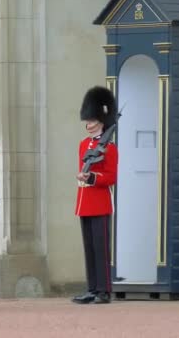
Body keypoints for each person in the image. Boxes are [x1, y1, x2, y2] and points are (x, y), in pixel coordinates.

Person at [72, 86, 118, 305]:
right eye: (87, 121)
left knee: (101, 248)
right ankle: (91, 288)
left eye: (91, 120)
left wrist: (91, 178)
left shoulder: (109, 147)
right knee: (89, 248)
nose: (88, 124)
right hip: (85, 202)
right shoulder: (83, 145)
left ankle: (104, 290)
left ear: (101, 120)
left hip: (100, 203)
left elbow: (111, 177)